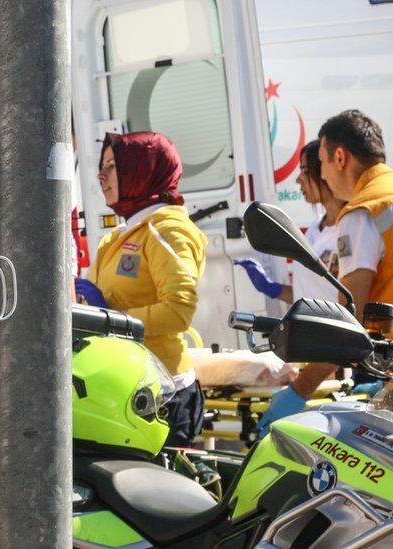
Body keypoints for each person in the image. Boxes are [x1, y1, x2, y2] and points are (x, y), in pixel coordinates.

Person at [257, 109, 390, 437]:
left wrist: (299, 391)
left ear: (340, 157)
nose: (323, 176)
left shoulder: (359, 214)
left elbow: (346, 326)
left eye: (322, 162)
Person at [74, 132, 208, 447]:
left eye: (112, 166)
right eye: (101, 165)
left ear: (141, 170)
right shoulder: (120, 235)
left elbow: (178, 311)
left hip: (164, 395)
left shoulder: (167, 230)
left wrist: (114, 319)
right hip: (126, 385)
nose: (100, 175)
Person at [235, 139, 346, 303]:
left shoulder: (349, 228)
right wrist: (272, 288)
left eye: (305, 171)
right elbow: (308, 296)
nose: (298, 179)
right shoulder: (315, 227)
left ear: (325, 170)